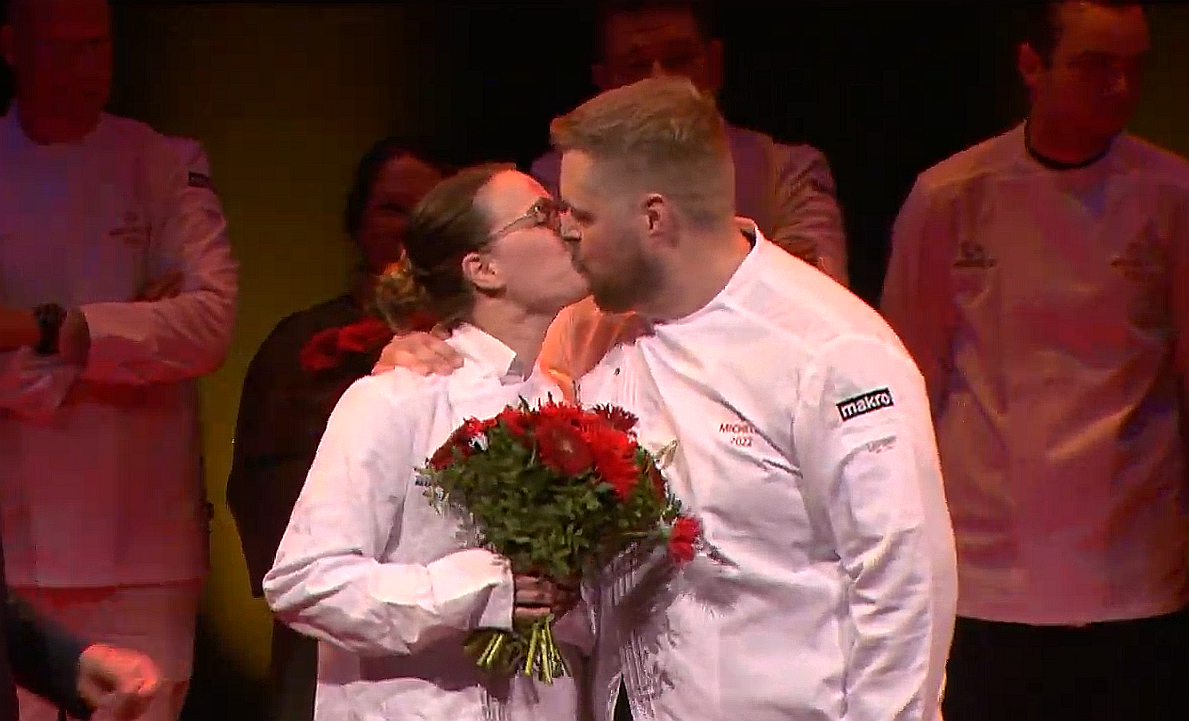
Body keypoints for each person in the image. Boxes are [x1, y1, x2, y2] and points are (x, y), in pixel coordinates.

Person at [376, 76, 956, 721]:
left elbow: (904, 582)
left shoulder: (831, 351)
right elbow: (488, 393)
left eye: (582, 215)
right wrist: (421, 357)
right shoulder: (584, 328)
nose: (563, 231)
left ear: (653, 218)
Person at [879, 3, 1189, 721]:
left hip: (1134, 568)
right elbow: (906, 383)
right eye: (1096, 66)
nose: (1120, 88)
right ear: (1031, 65)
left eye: (1134, 68)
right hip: (986, 569)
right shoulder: (950, 195)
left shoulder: (1171, 195)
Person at [261, 164, 593, 720]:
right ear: (482, 268)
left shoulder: (573, 401)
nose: (567, 225)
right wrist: (482, 590)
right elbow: (305, 582)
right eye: (542, 215)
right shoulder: (399, 397)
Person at [0, 1, 238, 719]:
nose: (84, 67)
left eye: (96, 45)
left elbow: (207, 323)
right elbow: (161, 333)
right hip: (13, 542)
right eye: (60, 47)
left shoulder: (165, 162)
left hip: (142, 542)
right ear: (12, 46)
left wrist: (42, 331)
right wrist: (123, 328)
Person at [225, 139, 446, 721]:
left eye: (425, 211)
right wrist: (324, 584)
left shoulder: (475, 345)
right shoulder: (300, 343)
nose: (407, 229)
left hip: (449, 611)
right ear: (357, 222)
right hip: (324, 611)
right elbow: (259, 480)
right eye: (391, 209)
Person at [529, 0, 850, 285]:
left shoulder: (786, 173)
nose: (660, 81)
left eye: (678, 59)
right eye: (636, 66)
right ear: (604, 82)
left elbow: (812, 289)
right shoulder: (556, 182)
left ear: (714, 63)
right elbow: (550, 296)